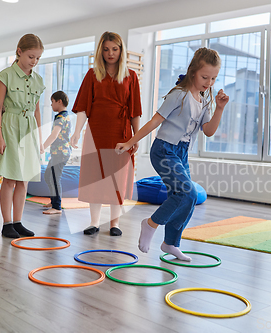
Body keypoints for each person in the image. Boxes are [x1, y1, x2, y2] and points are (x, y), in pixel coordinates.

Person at [116, 47, 229, 261]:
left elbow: (209, 131)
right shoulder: (179, 95)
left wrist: (220, 109)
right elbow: (154, 121)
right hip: (164, 149)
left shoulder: (205, 100)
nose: (209, 82)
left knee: (186, 197)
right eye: (205, 77)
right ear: (193, 71)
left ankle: (170, 243)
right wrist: (130, 142)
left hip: (181, 153)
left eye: (213, 78)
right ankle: (150, 224)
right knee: (188, 192)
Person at [70, 31, 142, 236]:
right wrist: (77, 132)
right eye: (106, 49)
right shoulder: (92, 75)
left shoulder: (131, 76)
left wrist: (135, 138)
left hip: (120, 133)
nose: (110, 53)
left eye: (115, 49)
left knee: (117, 179)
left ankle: (114, 223)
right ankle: (93, 222)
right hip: (96, 132)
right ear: (100, 51)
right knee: (96, 177)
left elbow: (135, 111)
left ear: (121, 51)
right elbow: (83, 107)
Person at [0, 33, 45, 238]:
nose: (34, 61)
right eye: (31, 56)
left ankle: (18, 221)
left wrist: (38, 137)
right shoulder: (6, 75)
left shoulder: (38, 80)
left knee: (24, 179)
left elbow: (38, 111)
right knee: (10, 178)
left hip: (29, 128)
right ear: (19, 51)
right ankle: (7, 224)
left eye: (38, 58)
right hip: (10, 126)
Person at [42, 91, 71, 215]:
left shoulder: (61, 117)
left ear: (59, 101)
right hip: (58, 152)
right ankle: (53, 201)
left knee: (54, 178)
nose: (51, 105)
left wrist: (43, 147)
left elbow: (54, 135)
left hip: (61, 153)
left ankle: (57, 206)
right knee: (48, 175)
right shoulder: (64, 115)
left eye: (52, 102)